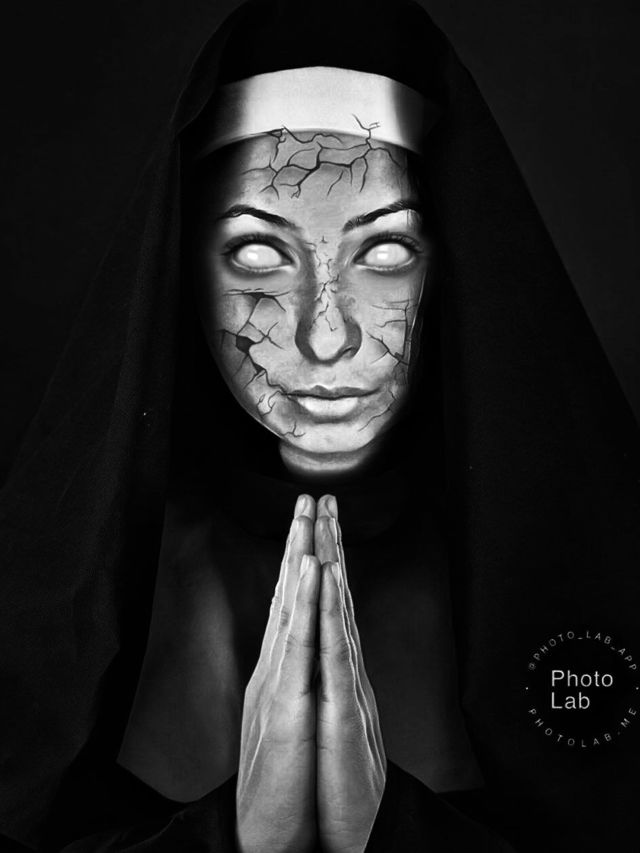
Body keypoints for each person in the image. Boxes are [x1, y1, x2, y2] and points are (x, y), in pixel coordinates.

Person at [1, 0, 639, 851]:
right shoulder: (64, 602)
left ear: (452, 266)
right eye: (259, 255)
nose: (326, 335)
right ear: (181, 270)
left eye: (386, 252)